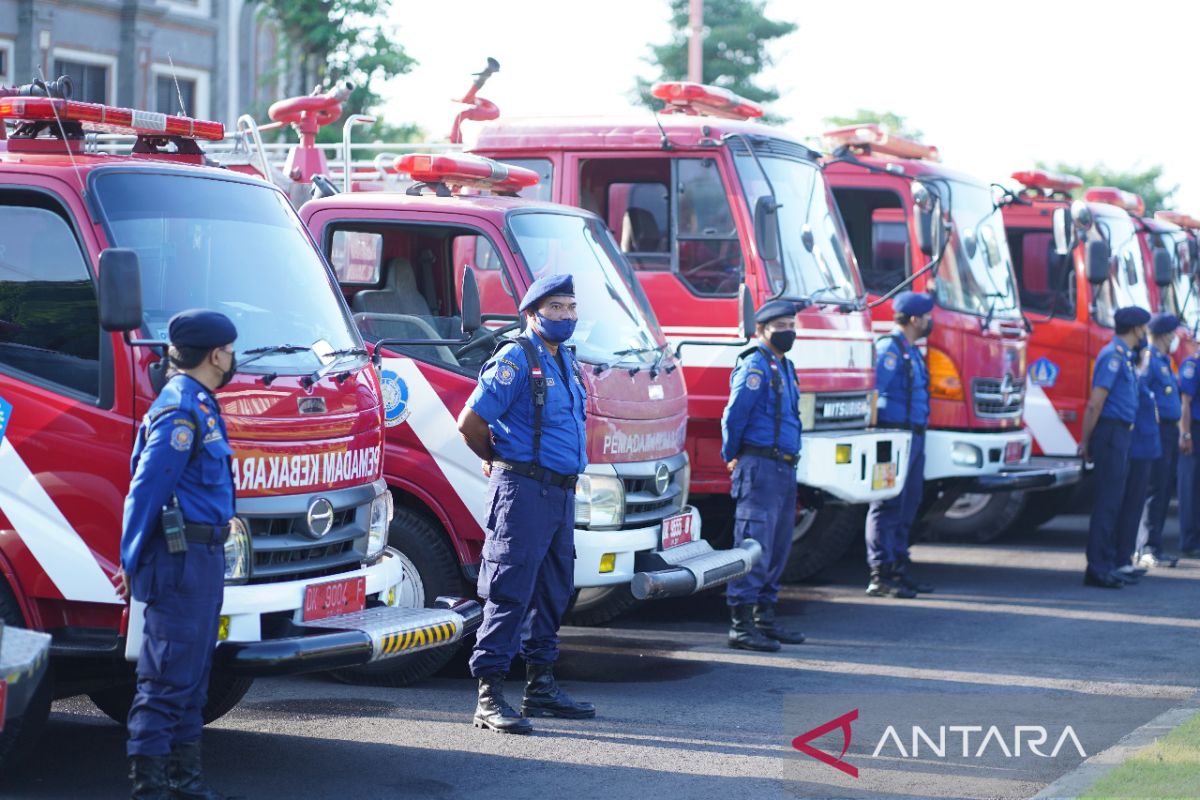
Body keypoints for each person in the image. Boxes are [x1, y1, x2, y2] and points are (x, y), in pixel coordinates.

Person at [456, 273, 593, 734]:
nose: (566, 315)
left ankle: (541, 686)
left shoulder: (568, 362)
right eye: (556, 308)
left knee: (554, 589)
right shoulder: (516, 357)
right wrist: (495, 458)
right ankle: (489, 695)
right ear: (532, 313)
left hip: (560, 492)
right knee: (509, 589)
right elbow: (471, 421)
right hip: (523, 492)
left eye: (571, 307)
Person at [112, 309, 238, 800]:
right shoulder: (180, 410)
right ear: (215, 354)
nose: (233, 358)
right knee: (165, 680)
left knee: (193, 678)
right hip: (178, 560)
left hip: (202, 560)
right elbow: (145, 491)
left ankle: (186, 783)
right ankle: (150, 789)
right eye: (230, 350)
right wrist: (130, 559)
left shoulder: (200, 402)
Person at [720, 299, 807, 652]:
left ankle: (764, 618)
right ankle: (741, 625)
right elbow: (734, 415)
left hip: (784, 467)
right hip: (759, 466)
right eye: (781, 325)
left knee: (779, 545)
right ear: (762, 330)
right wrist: (732, 455)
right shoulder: (755, 365)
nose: (789, 331)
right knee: (754, 544)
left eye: (791, 324)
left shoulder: (784, 365)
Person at [865, 291, 935, 599]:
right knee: (887, 503)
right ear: (915, 319)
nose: (931, 321)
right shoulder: (889, 349)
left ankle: (898, 568)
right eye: (928, 316)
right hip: (892, 437)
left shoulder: (911, 350)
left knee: (909, 503)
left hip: (914, 437)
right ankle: (880, 573)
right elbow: (873, 392)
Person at [1079, 306, 1150, 588]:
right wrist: (1086, 441)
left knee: (1114, 501)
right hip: (1110, 433)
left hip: (1120, 435)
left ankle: (1106, 563)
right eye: (1143, 328)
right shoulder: (1112, 356)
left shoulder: (1123, 356)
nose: (1145, 333)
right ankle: (1097, 567)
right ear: (1135, 329)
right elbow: (1096, 403)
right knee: (1107, 502)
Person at [1136, 313, 1182, 568]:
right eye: (1173, 333)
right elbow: (1142, 392)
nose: (1176, 337)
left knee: (1164, 491)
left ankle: (1155, 545)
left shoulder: (1164, 360)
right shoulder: (1150, 360)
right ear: (1165, 335)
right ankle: (1147, 547)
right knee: (1155, 491)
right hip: (1157, 432)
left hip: (1168, 432)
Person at [1113, 356, 1159, 582]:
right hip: (1136, 451)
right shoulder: (1134, 376)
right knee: (1128, 507)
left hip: (1145, 451)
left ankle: (1125, 559)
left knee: (1135, 508)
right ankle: (1120, 559)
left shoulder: (1137, 377)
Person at [1178, 347, 1200, 558]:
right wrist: (1185, 434)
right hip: (1194, 430)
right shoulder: (1193, 365)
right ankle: (1189, 541)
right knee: (1190, 487)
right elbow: (1185, 402)